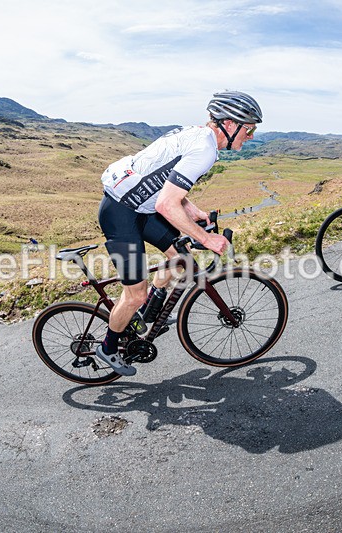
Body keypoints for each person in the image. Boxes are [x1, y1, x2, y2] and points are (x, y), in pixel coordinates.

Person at [95, 90, 262, 376]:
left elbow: (167, 183)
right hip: (121, 212)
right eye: (249, 129)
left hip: (141, 208)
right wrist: (207, 238)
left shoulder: (198, 135)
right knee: (134, 294)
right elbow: (166, 203)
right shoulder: (205, 149)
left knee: (180, 257)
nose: (251, 136)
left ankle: (147, 315)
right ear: (230, 125)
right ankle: (108, 348)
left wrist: (194, 212)